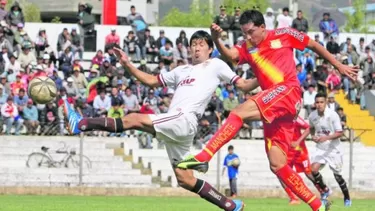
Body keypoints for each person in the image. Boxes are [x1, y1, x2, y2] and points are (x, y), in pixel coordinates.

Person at [177, 10, 357, 211]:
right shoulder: (246, 46)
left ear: (263, 27)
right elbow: (231, 56)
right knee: (277, 164)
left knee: (238, 112)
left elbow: (313, 45)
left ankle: (205, 156)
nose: (248, 37)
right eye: (244, 33)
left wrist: (338, 65)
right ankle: (318, 205)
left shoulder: (285, 34)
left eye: (251, 32)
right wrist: (218, 39)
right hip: (277, 105)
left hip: (287, 91)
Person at [63, 30, 262, 211]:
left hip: (185, 119)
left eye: (202, 44)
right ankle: (228, 205)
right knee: (185, 179)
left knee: (134, 119)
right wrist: (127, 64)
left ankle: (81, 123)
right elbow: (150, 81)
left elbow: (243, 85)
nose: (197, 47)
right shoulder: (181, 70)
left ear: (210, 49)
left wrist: (261, 77)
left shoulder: (215, 65)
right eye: (194, 44)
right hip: (177, 124)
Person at [309, 93, 351, 207]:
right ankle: (325, 190)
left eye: (321, 102)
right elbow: (311, 128)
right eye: (317, 102)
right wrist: (313, 136)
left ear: (326, 102)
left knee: (337, 176)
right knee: (313, 169)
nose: (319, 105)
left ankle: (346, 196)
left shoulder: (333, 115)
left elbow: (340, 132)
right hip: (321, 149)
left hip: (334, 149)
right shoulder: (312, 115)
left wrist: (325, 138)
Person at [279, 117, 322, 205]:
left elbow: (309, 127)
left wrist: (298, 141)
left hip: (299, 150)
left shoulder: (294, 118)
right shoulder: (276, 119)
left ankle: (322, 191)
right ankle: (293, 198)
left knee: (309, 173)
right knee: (281, 174)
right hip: (286, 151)